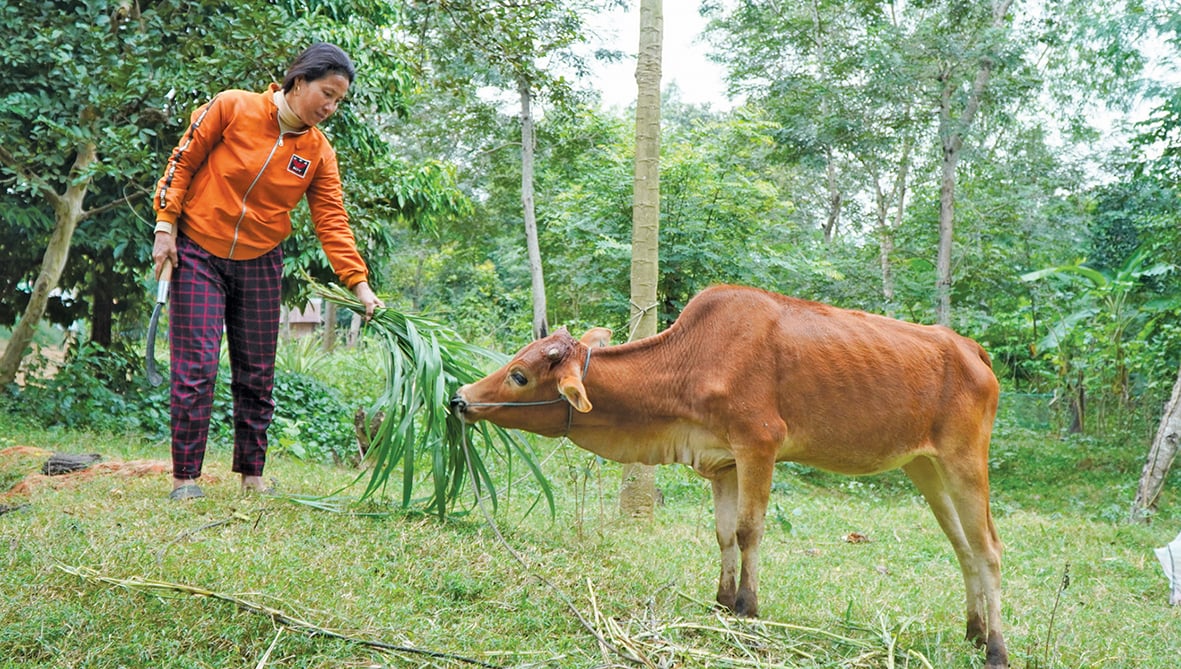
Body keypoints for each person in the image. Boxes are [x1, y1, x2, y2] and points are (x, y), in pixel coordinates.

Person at [151, 43, 383, 500]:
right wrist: (165, 225)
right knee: (196, 367)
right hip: (198, 249)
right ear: (299, 82)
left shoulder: (318, 152)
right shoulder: (232, 106)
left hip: (260, 260)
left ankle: (252, 475)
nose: (331, 108)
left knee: (257, 374)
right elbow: (183, 161)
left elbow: (332, 220)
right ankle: (186, 479)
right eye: (327, 94)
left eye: (339, 101)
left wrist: (360, 286)